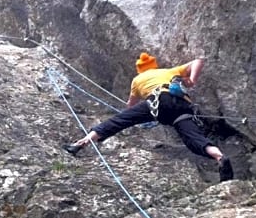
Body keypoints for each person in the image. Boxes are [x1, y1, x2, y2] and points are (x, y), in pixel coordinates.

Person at [65, 52, 234, 181]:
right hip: (182, 105)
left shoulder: (138, 80)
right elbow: (198, 61)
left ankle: (80, 143)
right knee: (193, 138)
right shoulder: (169, 71)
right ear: (154, 66)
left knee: (118, 121)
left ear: (140, 69)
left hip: (158, 101)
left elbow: (130, 106)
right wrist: (192, 80)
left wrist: (137, 113)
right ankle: (219, 157)